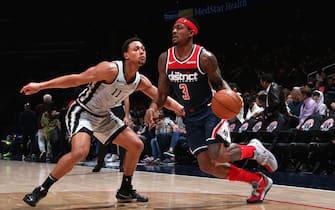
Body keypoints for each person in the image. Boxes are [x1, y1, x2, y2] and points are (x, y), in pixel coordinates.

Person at [20, 37, 184, 207]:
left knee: (136, 144)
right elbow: (75, 79)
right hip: (83, 111)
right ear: (126, 55)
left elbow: (161, 97)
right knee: (80, 152)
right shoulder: (110, 69)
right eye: (136, 49)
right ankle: (41, 189)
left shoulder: (140, 81)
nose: (141, 51)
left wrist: (179, 107)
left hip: (104, 116)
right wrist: (40, 86)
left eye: (143, 49)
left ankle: (125, 190)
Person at [144, 17, 277, 204]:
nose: (174, 31)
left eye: (179, 28)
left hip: (210, 110)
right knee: (207, 166)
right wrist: (153, 107)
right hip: (190, 116)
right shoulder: (165, 59)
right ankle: (259, 181)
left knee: (218, 154)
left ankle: (254, 150)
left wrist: (230, 96)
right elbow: (163, 93)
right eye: (173, 28)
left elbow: (219, 83)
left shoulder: (204, 57)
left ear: (191, 33)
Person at [92, 96, 130, 172]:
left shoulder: (123, 85)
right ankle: (100, 163)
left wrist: (126, 116)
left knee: (123, 138)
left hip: (118, 110)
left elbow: (126, 99)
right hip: (105, 109)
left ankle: (123, 164)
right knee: (102, 138)